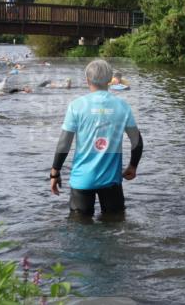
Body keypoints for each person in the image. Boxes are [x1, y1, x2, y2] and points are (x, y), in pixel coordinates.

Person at [49, 60, 143, 217]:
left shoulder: (76, 105)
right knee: (114, 228)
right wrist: (133, 166)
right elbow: (137, 142)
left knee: (80, 231)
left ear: (87, 80)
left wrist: (54, 173)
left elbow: (64, 143)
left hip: (82, 180)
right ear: (109, 80)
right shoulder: (122, 106)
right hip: (112, 181)